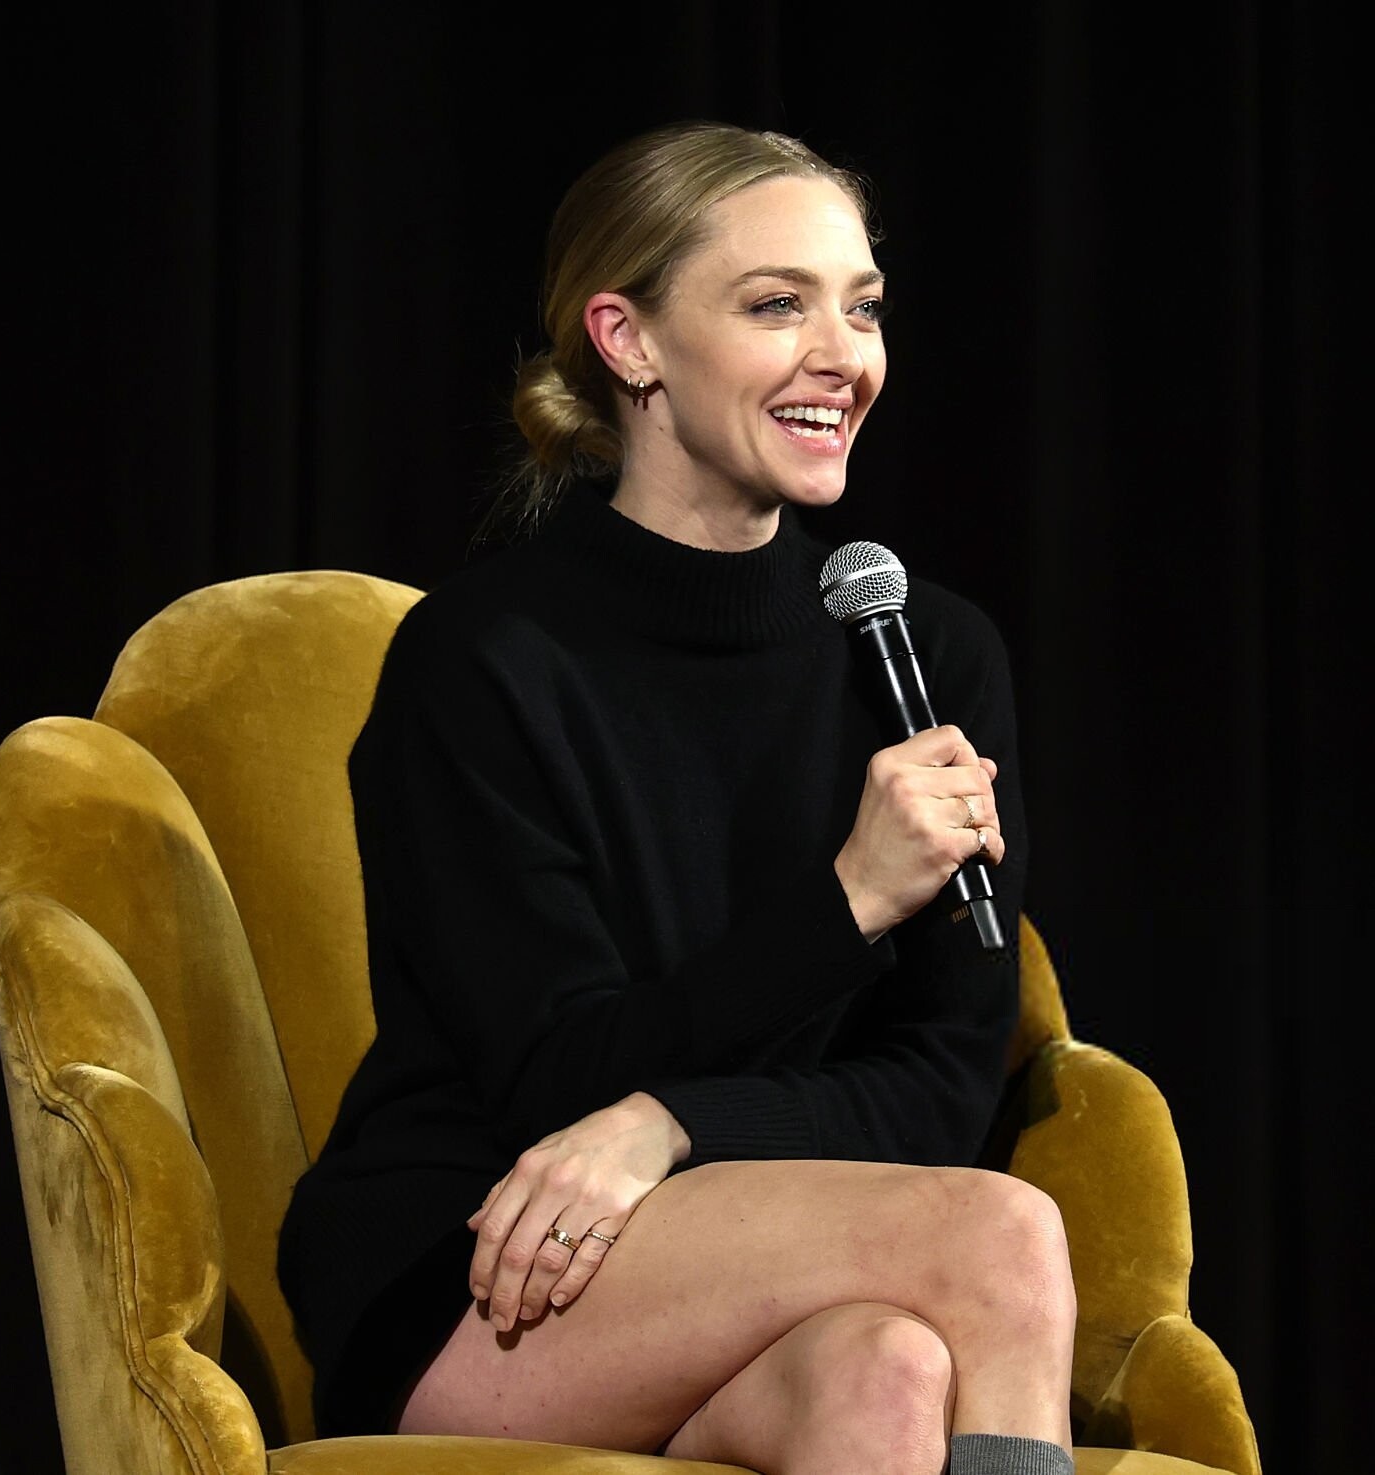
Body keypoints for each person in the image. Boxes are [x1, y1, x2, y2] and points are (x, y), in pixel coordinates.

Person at [276, 121, 1076, 1475]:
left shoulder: (928, 656)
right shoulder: (483, 660)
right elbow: (550, 1083)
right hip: (494, 1248)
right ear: (627, 341)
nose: (844, 355)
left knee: (887, 1376)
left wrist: (676, 1122)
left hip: (756, 1235)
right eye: (777, 305)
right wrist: (850, 901)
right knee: (998, 1235)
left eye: (863, 307)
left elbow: (944, 1090)